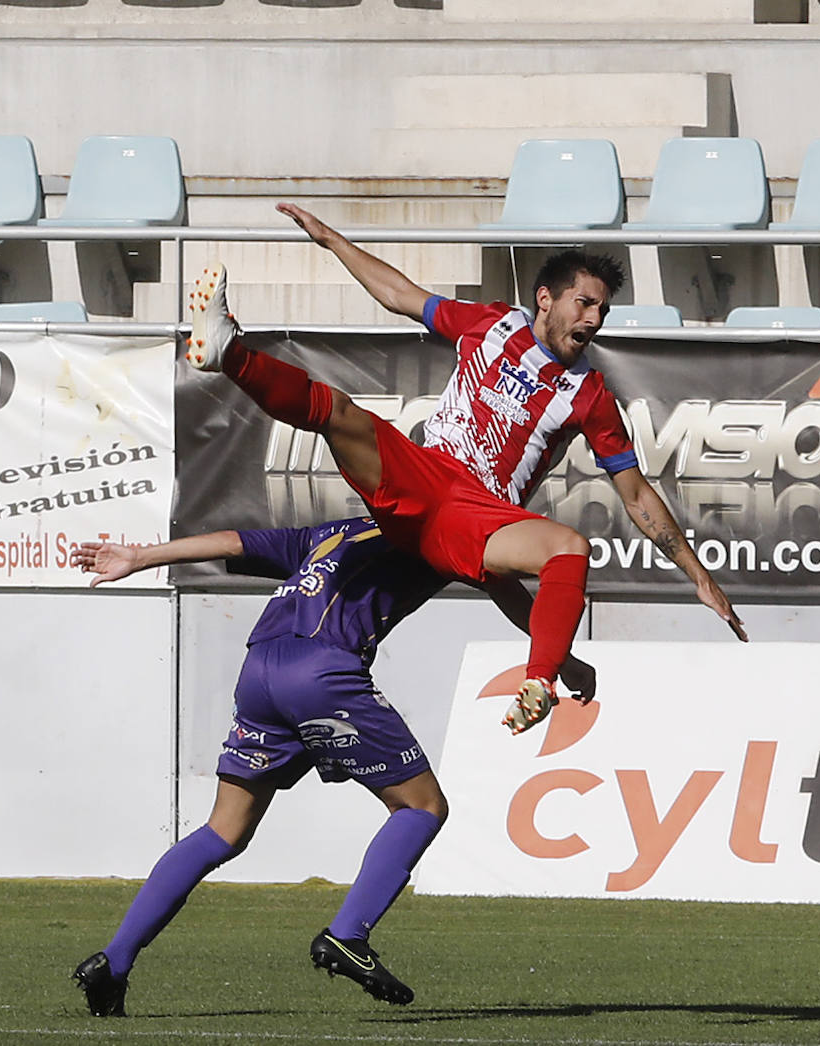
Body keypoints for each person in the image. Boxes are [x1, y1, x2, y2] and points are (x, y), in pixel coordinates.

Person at [183, 206, 747, 732]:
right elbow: (403, 295)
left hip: (473, 516)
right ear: (545, 299)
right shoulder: (492, 325)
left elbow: (636, 494)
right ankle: (230, 354)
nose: (595, 319)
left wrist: (697, 576)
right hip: (423, 474)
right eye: (585, 303)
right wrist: (333, 241)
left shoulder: (588, 394)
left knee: (569, 547)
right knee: (339, 412)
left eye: (602, 309)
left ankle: (538, 682)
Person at [69, 517, 595, 1016]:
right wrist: (558, 660)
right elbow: (500, 580)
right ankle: (348, 934)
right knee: (422, 807)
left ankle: (113, 962)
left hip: (260, 670)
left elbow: (232, 542)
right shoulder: (433, 530)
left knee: (222, 831)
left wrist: (141, 556)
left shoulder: (333, 531)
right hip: (323, 670)